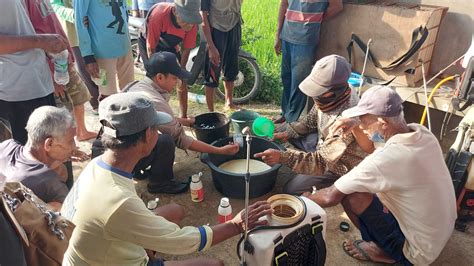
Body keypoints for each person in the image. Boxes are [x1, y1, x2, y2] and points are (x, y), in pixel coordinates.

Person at [61, 92, 271, 265]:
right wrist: (236, 225)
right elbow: (183, 242)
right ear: (147, 135)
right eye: (156, 128)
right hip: (116, 260)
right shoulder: (119, 202)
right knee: (214, 265)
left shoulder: (97, 166)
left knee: (174, 211)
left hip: (104, 247)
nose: (160, 133)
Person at [303, 86, 457, 265]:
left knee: (351, 194)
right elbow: (375, 146)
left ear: (383, 123)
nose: (361, 126)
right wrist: (356, 126)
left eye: (364, 122)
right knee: (372, 188)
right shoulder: (422, 134)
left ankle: (384, 251)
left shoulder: (388, 159)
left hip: (417, 254)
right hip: (438, 234)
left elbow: (331, 196)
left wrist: (304, 200)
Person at [123, 51, 239, 194]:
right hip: (123, 160)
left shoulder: (138, 86)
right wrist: (219, 151)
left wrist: (186, 121)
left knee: (150, 136)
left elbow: (155, 118)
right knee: (165, 141)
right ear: (160, 77)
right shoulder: (154, 101)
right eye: (174, 78)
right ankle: (160, 183)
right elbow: (181, 139)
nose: (177, 83)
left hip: (119, 147)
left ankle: (137, 169)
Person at [255, 55, 371, 194]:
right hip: (324, 143)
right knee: (294, 133)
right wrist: (286, 134)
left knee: (291, 189)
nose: (314, 95)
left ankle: (335, 184)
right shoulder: (329, 98)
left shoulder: (346, 121)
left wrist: (282, 157)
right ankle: (303, 155)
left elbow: (321, 161)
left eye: (319, 91)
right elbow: (309, 121)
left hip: (338, 162)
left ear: (334, 92)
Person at [25, 0, 96, 141]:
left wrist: (69, 53)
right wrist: (52, 77)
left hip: (64, 59)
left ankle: (82, 132)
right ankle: (66, 143)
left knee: (80, 96)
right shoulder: (25, 4)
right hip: (51, 67)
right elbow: (34, 42)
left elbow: (57, 27)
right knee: (63, 110)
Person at [0, 0, 68, 144]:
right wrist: (41, 41)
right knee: (32, 157)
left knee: (54, 152)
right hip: (16, 93)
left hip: (37, 83)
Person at [274, 0, 343, 124]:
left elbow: (337, 6)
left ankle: (290, 120)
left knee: (298, 82)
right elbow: (284, 4)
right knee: (286, 78)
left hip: (305, 39)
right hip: (287, 35)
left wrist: (316, 20)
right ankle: (285, 113)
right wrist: (278, 34)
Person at [0, 106, 77, 211]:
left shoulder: (6, 146)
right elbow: (68, 218)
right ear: (49, 143)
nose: (74, 146)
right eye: (71, 141)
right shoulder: (50, 182)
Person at [139, 0, 201, 118]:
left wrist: (181, 72)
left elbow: (186, 49)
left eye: (191, 21)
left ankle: (183, 116)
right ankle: (153, 115)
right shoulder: (159, 15)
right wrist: (156, 71)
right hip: (150, 42)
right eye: (186, 19)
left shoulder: (192, 24)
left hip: (171, 43)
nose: (189, 25)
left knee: (181, 79)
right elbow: (151, 48)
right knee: (155, 81)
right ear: (175, 11)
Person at [74, 0, 134, 99]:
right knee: (108, 97)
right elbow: (80, 22)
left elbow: (124, 10)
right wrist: (88, 56)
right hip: (102, 51)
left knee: (130, 92)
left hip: (125, 46)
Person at [50, 0, 101, 114]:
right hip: (75, 34)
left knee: (101, 68)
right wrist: (75, 15)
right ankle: (96, 103)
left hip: (95, 31)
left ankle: (106, 98)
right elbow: (55, 6)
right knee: (86, 71)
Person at [201, 0, 243, 111]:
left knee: (231, 66)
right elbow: (203, 17)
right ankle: (211, 111)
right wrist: (211, 46)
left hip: (234, 25)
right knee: (212, 69)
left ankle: (229, 102)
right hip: (216, 29)